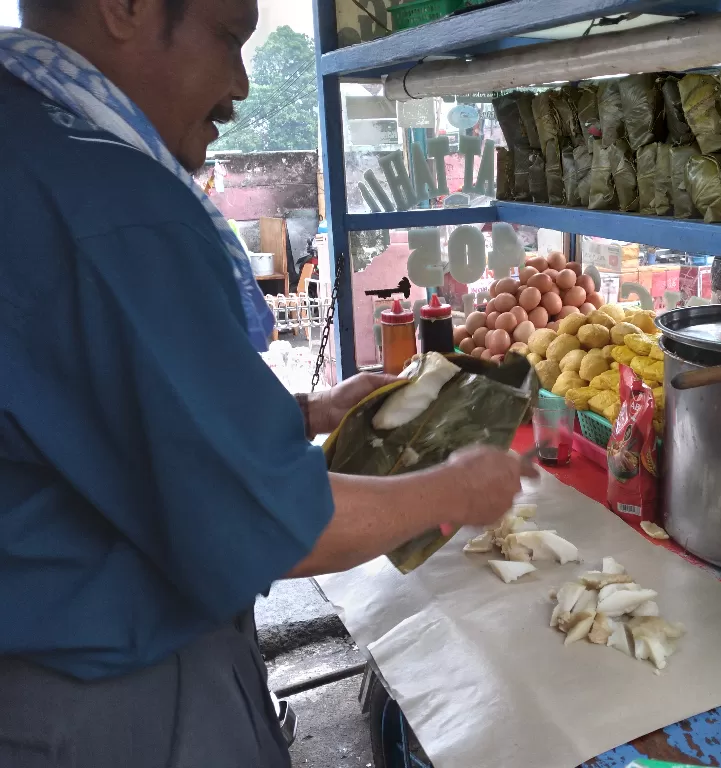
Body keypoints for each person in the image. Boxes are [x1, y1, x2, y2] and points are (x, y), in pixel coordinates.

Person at [0, 1, 532, 766]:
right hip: (98, 695)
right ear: (126, 8)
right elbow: (273, 525)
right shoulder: (106, 199)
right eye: (227, 37)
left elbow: (85, 404)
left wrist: (308, 409)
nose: (241, 86)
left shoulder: (23, 138)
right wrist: (455, 490)